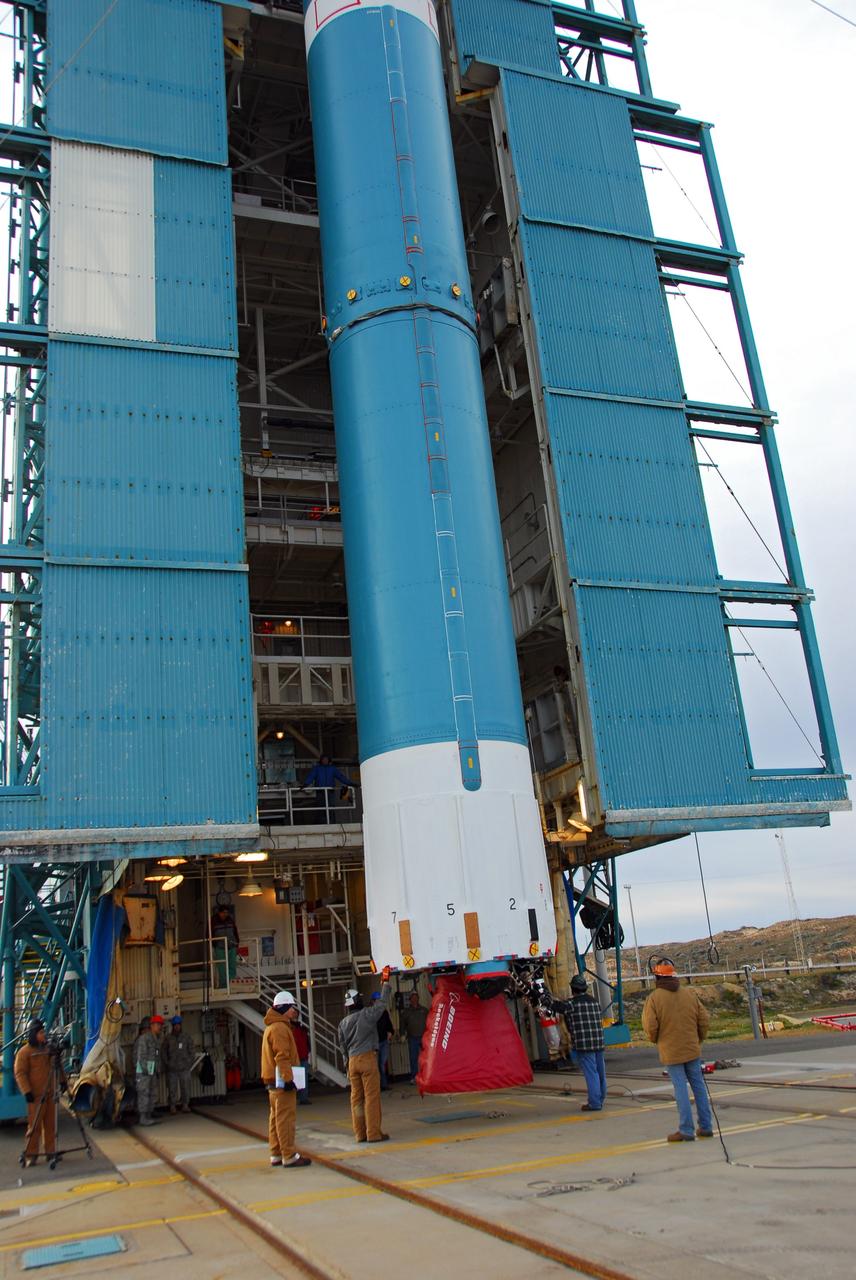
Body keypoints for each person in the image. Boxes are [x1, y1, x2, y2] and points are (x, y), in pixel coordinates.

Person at [642, 959, 713, 1142]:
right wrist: (698, 1039)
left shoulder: (654, 998)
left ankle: (686, 1130)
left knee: (680, 1088)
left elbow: (650, 1026)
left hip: (671, 1051)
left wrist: (657, 1040)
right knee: (698, 1086)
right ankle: (705, 1126)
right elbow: (704, 1019)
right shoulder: (689, 994)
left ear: (657, 977)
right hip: (692, 1049)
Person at [338, 974, 391, 1143]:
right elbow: (382, 1004)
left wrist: (347, 1065)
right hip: (367, 1058)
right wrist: (385, 984)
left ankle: (360, 1134)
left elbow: (342, 1047)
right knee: (371, 1097)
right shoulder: (366, 1015)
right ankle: (373, 1133)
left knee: (357, 1100)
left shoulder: (343, 1023)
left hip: (352, 1062)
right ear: (358, 1002)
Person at [261, 991, 311, 1168]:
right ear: (283, 1008)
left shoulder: (271, 1027)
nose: (293, 1011)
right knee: (286, 1119)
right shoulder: (280, 1028)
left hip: (272, 1082)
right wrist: (289, 1079)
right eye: (291, 1008)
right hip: (282, 1083)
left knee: (275, 1119)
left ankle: (275, 1153)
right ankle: (289, 1155)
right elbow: (282, 1057)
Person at [14, 1020, 66, 1166]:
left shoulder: (48, 1050)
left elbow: (58, 1065)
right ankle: (31, 1154)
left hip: (50, 1094)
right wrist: (27, 1091)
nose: (44, 1035)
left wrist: (63, 1081)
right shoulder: (24, 1053)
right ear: (33, 1034)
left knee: (51, 1126)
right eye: (41, 1032)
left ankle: (51, 1152)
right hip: (36, 1096)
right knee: (34, 1127)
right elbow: (20, 1073)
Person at [554, 974, 606, 1111]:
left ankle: (594, 1103)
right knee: (600, 1072)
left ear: (573, 989)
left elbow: (558, 1007)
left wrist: (545, 998)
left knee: (591, 1074)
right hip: (599, 1042)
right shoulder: (594, 1001)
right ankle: (601, 1098)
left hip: (584, 1045)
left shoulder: (572, 1004)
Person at [303, 754, 354, 822]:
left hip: (330, 792)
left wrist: (350, 783)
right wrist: (305, 784)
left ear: (329, 760)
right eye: (323, 759)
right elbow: (311, 777)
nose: (325, 761)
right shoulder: (317, 768)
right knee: (321, 808)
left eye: (326, 759)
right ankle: (322, 823)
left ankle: (332, 822)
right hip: (320, 792)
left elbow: (341, 777)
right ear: (321, 760)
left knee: (331, 807)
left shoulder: (332, 768)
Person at [162, 1015, 195, 1115]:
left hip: (184, 1068)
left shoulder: (186, 1037)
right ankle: (172, 1106)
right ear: (172, 1026)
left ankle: (185, 1105)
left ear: (181, 1025)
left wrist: (189, 1062)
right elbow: (164, 1052)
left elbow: (192, 1050)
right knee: (172, 1088)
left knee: (185, 1087)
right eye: (175, 1025)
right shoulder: (168, 1038)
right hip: (172, 1069)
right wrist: (167, 1063)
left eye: (178, 1025)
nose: (177, 1027)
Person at [135, 1014, 164, 1126]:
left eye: (160, 1025)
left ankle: (148, 1115)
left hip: (151, 1071)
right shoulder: (144, 1038)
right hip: (144, 1072)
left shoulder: (155, 1039)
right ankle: (143, 1117)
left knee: (151, 1093)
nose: (160, 1027)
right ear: (152, 1025)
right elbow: (141, 1056)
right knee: (144, 1093)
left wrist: (157, 1069)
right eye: (158, 1025)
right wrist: (146, 1070)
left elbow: (157, 1056)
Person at [399, 992, 428, 1083]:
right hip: (412, 1038)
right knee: (413, 1058)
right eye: (413, 998)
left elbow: (429, 1022)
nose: (414, 999)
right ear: (410, 1000)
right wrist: (402, 1034)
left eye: (416, 997)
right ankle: (414, 1077)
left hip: (424, 1037)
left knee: (426, 1058)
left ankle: (427, 1075)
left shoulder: (424, 1010)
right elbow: (402, 1024)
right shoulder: (406, 1012)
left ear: (418, 999)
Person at [211, 904, 239, 988]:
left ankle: (231, 984)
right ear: (219, 913)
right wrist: (214, 944)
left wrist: (237, 942)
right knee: (222, 968)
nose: (225, 914)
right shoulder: (213, 921)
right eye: (223, 912)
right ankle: (224, 986)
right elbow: (209, 934)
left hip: (231, 946)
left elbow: (235, 931)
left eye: (226, 912)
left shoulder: (230, 920)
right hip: (219, 947)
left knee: (232, 966)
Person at [373, 993, 394, 1090]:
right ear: (373, 1001)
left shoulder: (384, 1013)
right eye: (376, 1001)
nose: (378, 1003)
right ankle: (378, 1085)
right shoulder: (370, 1014)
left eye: (379, 1001)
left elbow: (389, 1025)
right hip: (374, 1043)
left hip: (384, 1041)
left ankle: (384, 1084)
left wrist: (390, 1032)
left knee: (382, 1063)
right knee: (376, 1065)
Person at [291, 1015, 311, 1105]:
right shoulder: (290, 1028)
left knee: (303, 1079)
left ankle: (303, 1098)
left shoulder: (301, 1028)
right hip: (295, 1057)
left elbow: (306, 1041)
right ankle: (299, 1098)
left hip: (302, 1056)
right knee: (295, 1079)